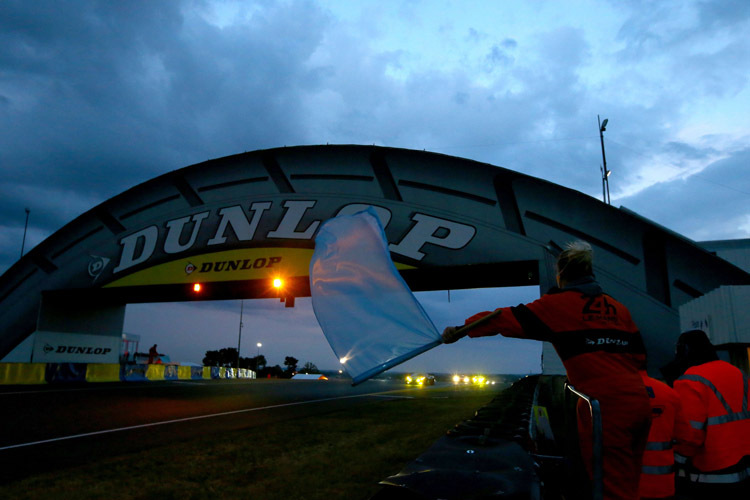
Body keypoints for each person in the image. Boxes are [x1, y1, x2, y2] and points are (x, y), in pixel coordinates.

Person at [442, 241, 652, 500]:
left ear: (561, 274)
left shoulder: (558, 306)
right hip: (640, 402)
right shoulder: (619, 309)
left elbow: (501, 318)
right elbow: (640, 357)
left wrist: (460, 330)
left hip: (604, 408)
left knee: (609, 485)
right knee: (629, 477)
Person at [671, 329, 750, 497]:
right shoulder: (738, 373)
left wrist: (676, 460)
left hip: (712, 474)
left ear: (684, 351)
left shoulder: (690, 380)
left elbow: (691, 436)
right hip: (745, 466)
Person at [639, 365, 692, 499]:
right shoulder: (668, 393)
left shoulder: (609, 393)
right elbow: (685, 437)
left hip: (624, 486)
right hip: (664, 484)